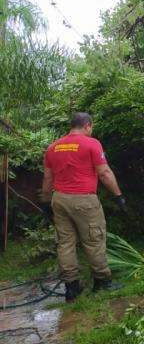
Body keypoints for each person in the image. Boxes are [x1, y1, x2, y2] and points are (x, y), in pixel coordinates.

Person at [41, 112, 126, 302]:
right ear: (87, 125)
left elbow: (47, 178)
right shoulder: (92, 144)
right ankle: (102, 282)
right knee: (94, 239)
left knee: (65, 243)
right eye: (91, 127)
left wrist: (46, 202)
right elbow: (104, 172)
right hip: (84, 200)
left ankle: (72, 287)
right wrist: (118, 195)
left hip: (59, 199)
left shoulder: (53, 147)